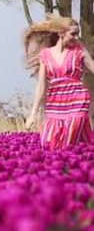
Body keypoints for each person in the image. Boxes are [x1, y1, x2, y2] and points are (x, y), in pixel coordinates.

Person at [24, 13, 94, 150]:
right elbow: (41, 84)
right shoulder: (45, 54)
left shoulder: (79, 50)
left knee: (73, 129)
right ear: (61, 33)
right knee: (50, 141)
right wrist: (33, 113)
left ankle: (72, 159)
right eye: (73, 34)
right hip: (55, 99)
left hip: (77, 98)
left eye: (78, 34)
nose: (77, 37)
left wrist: (83, 48)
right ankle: (72, 162)